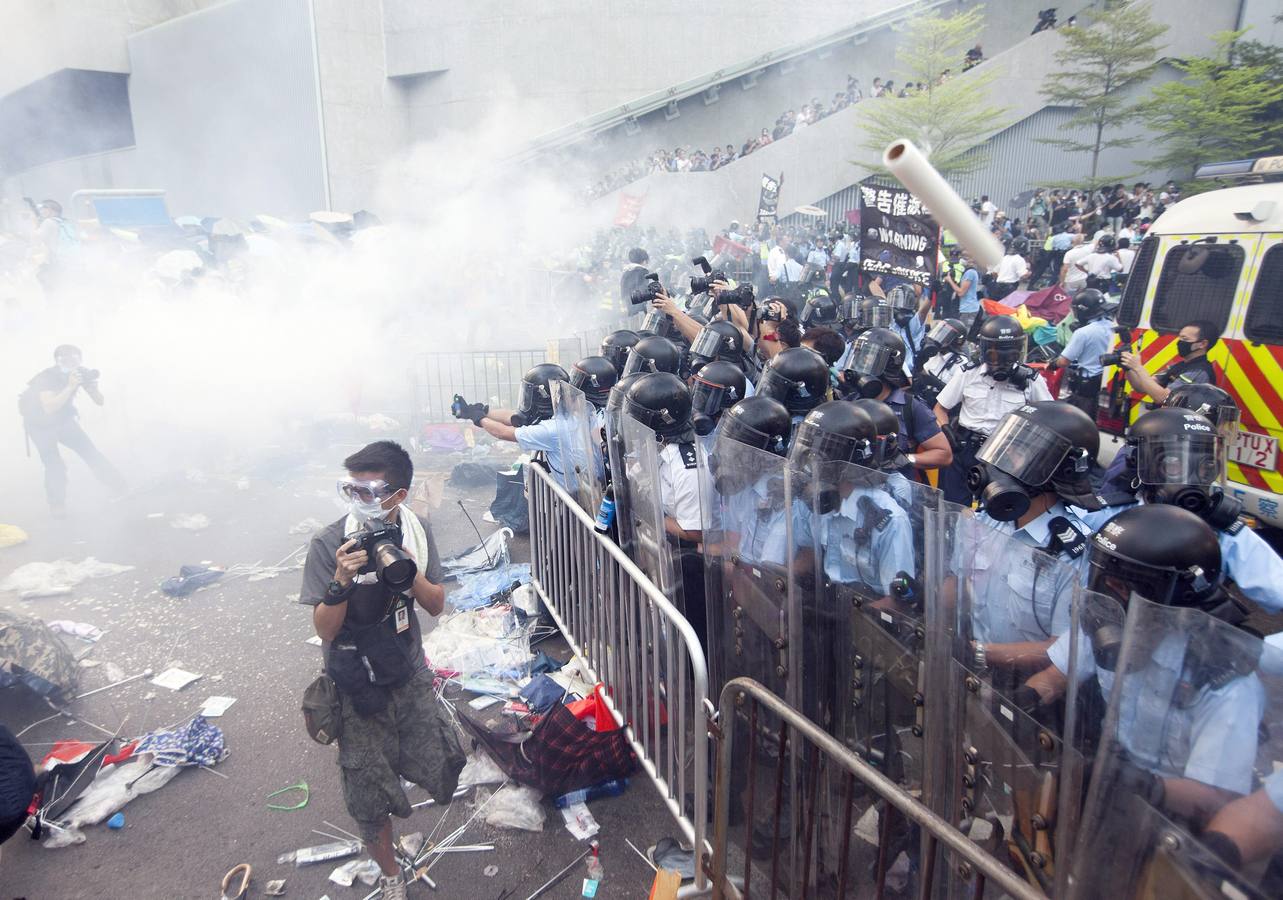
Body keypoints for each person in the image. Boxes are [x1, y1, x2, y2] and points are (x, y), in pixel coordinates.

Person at [300, 441, 464, 900]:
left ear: (399, 495)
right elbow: (326, 631)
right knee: (368, 786)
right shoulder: (330, 542)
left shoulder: (416, 530)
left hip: (407, 667)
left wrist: (401, 565)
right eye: (350, 490)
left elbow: (435, 605)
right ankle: (391, 873)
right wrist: (341, 582)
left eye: (369, 492)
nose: (358, 501)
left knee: (434, 756)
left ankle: (405, 824)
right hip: (355, 678)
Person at [1076, 406, 1283, 614]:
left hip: (1187, 638)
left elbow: (1277, 586)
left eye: (1205, 466)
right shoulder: (1107, 516)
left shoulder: (1221, 533)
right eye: (1174, 465)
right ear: (1141, 463)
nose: (1191, 478)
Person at [963, 402, 1103, 671]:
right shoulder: (988, 519)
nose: (999, 463)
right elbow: (958, 586)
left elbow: (1066, 648)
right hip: (970, 668)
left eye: (1016, 455)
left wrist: (979, 653)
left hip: (1026, 689)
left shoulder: (1074, 554)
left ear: (1061, 471)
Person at [934, 315, 1053, 504]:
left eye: (1010, 354)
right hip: (965, 448)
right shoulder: (968, 373)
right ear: (985, 350)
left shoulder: (1031, 381)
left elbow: (1048, 419)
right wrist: (947, 432)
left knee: (994, 509)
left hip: (1005, 454)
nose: (1003, 360)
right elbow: (940, 408)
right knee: (952, 506)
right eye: (996, 354)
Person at [19, 345, 126, 517]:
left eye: (75, 359)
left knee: (90, 452)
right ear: (57, 361)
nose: (71, 363)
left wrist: (92, 387)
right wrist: (69, 387)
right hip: (39, 425)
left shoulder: (79, 373)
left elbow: (100, 401)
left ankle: (120, 487)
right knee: (54, 464)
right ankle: (57, 506)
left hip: (63, 421)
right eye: (66, 359)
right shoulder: (46, 377)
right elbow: (49, 408)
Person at [839, 327, 952, 477]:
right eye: (859, 357)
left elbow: (944, 454)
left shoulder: (911, 407)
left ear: (890, 364)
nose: (860, 366)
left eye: (868, 358)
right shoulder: (850, 402)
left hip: (894, 488)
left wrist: (905, 459)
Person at [452, 362, 571, 473]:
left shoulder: (551, 429)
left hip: (568, 493)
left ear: (542, 397)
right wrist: (481, 411)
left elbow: (503, 432)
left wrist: (478, 418)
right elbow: (516, 418)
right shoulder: (568, 417)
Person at [1046, 288, 1116, 418]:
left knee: (1080, 420)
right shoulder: (1113, 326)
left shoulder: (1083, 333)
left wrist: (1052, 364)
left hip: (1087, 387)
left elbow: (1064, 361)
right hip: (1108, 382)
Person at [1119, 319, 1219, 403]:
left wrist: (1138, 367)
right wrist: (1128, 368)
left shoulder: (1198, 372)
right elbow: (1141, 387)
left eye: (1185, 338)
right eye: (1179, 337)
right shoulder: (1181, 366)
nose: (1179, 342)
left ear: (1202, 344)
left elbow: (1164, 398)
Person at [914, 317, 969, 408]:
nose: (937, 338)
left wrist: (934, 382)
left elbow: (957, 393)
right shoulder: (933, 354)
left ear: (956, 340)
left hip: (941, 407)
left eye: (944, 335)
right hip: (922, 401)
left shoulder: (960, 362)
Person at [942, 251, 981, 334]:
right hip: (966, 307)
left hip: (968, 309)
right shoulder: (966, 272)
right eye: (962, 256)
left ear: (972, 259)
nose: (963, 259)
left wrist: (949, 280)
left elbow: (961, 292)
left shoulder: (970, 272)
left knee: (963, 335)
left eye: (966, 257)